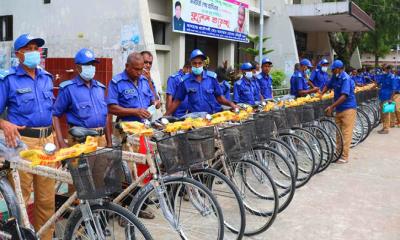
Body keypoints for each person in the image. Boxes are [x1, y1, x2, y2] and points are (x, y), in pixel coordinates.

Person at [0, 33, 55, 240]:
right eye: (29, 48)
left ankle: (45, 236)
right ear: (19, 54)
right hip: (22, 142)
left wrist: (55, 139)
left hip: (47, 142)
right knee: (21, 199)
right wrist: (4, 123)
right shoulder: (8, 80)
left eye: (36, 48)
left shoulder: (46, 78)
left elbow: (51, 112)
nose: (35, 52)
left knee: (46, 198)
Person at [107, 52, 156, 219]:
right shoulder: (117, 82)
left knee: (140, 171)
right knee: (126, 171)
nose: (139, 72)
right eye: (136, 69)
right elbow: (112, 107)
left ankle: (136, 207)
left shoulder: (143, 80)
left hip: (142, 131)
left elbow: (152, 101)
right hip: (124, 132)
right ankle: (123, 212)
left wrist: (151, 109)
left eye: (141, 69)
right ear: (127, 66)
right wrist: (135, 111)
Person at [53, 48, 112, 148]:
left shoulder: (100, 88)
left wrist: (109, 141)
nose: (91, 67)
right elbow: (55, 115)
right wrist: (61, 142)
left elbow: (105, 116)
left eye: (93, 64)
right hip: (80, 141)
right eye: (87, 64)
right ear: (78, 67)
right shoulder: (69, 89)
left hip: (101, 140)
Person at [165, 49, 237, 115]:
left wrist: (231, 104)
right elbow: (177, 101)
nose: (197, 66)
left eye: (199, 63)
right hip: (194, 119)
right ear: (191, 64)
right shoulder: (185, 81)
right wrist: (165, 115)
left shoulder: (212, 78)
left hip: (211, 116)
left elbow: (220, 98)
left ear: (203, 63)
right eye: (194, 63)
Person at [320, 60, 357, 164]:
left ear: (340, 69)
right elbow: (328, 85)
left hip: (348, 108)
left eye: (334, 69)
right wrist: (321, 93)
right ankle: (338, 154)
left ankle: (344, 157)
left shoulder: (345, 78)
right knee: (338, 133)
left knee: (346, 133)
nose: (332, 71)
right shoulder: (335, 76)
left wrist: (331, 106)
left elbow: (344, 96)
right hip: (339, 109)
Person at [375, 65, 396, 134]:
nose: (385, 71)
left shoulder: (392, 77)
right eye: (383, 69)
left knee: (386, 113)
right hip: (382, 97)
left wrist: (391, 99)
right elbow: (378, 83)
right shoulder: (383, 76)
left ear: (389, 69)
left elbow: (394, 89)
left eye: (386, 69)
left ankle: (386, 129)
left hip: (388, 97)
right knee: (383, 114)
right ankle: (384, 127)